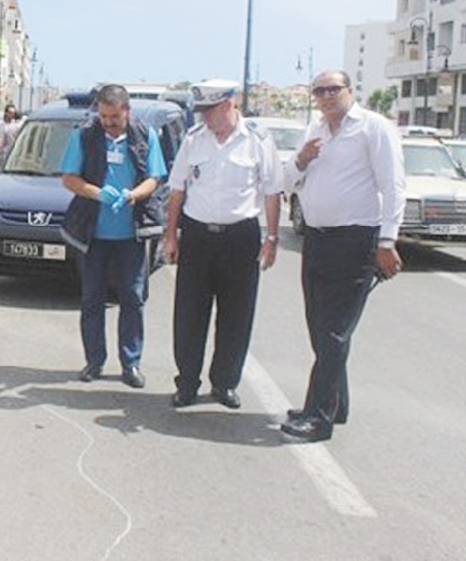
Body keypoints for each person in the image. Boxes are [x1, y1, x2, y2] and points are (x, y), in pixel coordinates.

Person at [280, 70, 406, 442]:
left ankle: (318, 417)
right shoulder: (314, 131)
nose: (327, 95)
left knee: (334, 330)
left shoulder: (373, 128)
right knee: (320, 326)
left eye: (334, 89)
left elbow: (393, 186)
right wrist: (301, 159)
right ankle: (336, 404)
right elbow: (287, 182)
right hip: (317, 240)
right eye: (320, 91)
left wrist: (387, 241)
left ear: (350, 91)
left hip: (355, 241)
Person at [161, 79, 283, 409]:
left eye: (209, 111)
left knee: (237, 314)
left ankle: (225, 383)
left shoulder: (257, 140)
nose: (203, 118)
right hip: (198, 236)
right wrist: (171, 235)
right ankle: (186, 382)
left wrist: (272, 237)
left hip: (240, 238)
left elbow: (272, 192)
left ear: (229, 104)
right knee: (189, 314)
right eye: (200, 112)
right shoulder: (193, 139)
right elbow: (177, 190)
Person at [59, 84, 167, 387]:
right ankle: (94, 361)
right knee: (92, 299)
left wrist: (132, 196)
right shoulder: (84, 135)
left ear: (126, 112)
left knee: (132, 298)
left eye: (114, 117)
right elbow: (68, 178)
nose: (107, 122)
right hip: (93, 234)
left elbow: (154, 178)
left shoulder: (145, 136)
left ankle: (130, 364)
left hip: (131, 234)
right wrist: (97, 193)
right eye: (103, 116)